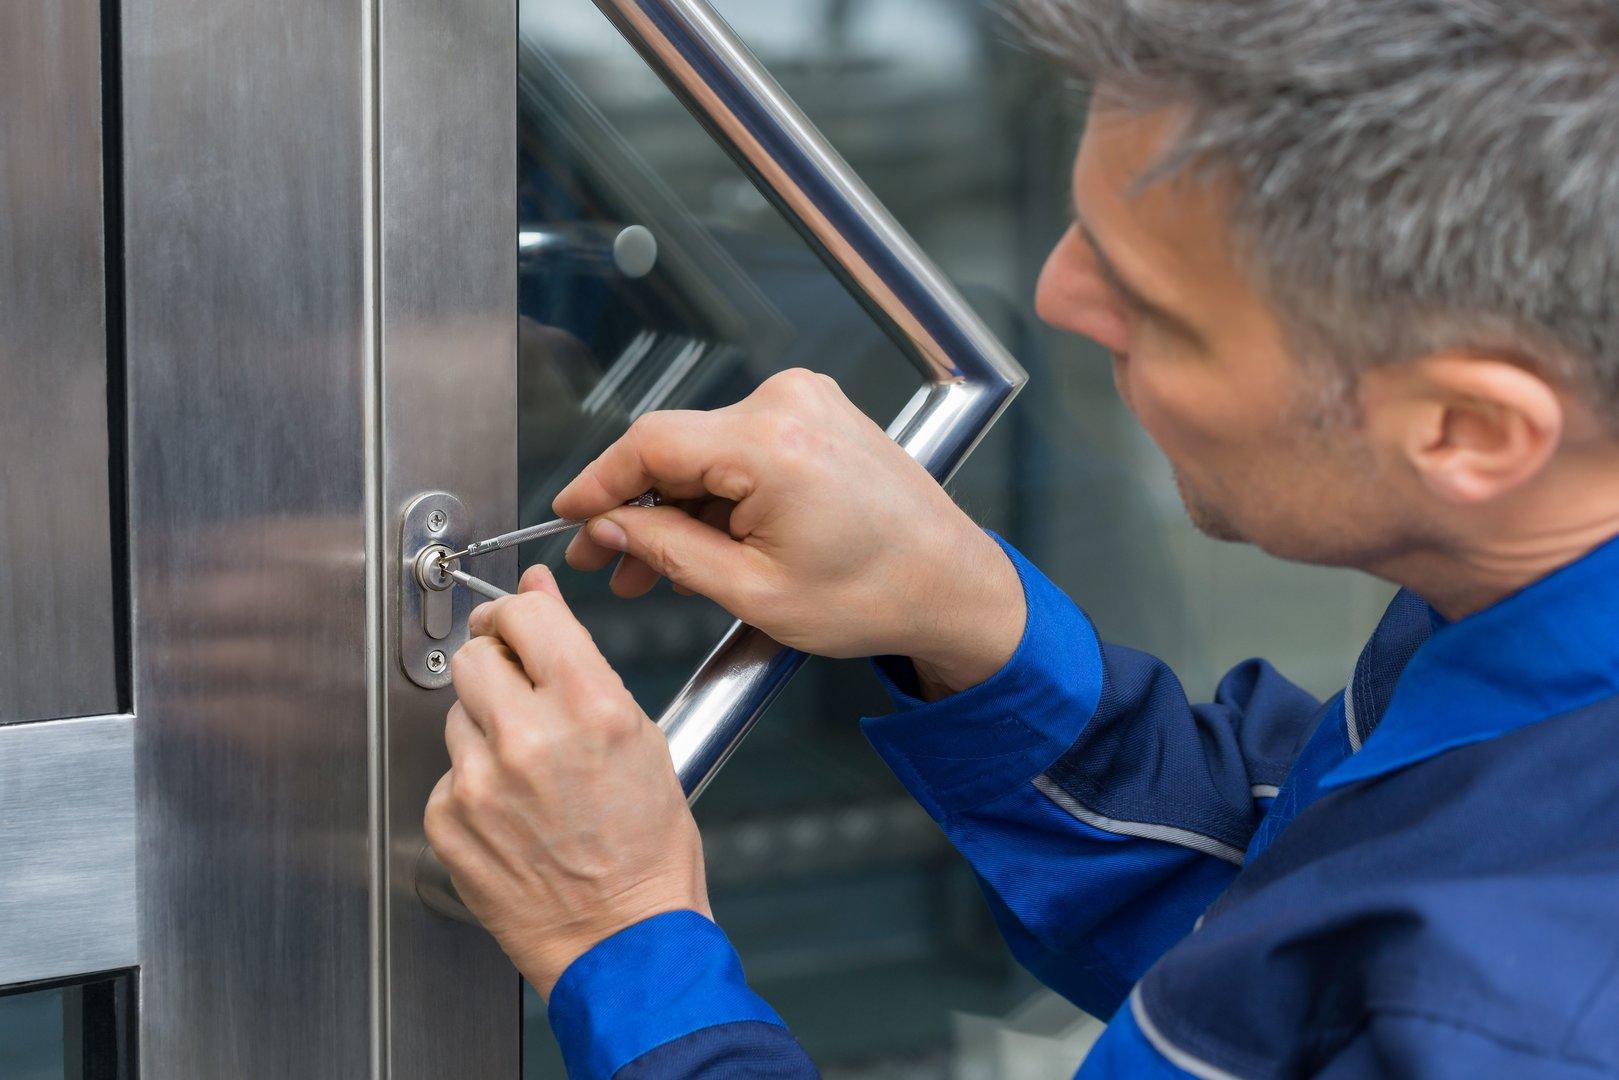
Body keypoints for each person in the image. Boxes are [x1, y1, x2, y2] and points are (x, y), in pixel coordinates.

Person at [423, 0, 1619, 1075]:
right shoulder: (1518, 605)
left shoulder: (1524, 1020)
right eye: (1085, 230)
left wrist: (622, 937)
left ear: (1466, 430)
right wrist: (970, 621)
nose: (1052, 298)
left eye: (1155, 308)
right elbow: (1279, 948)